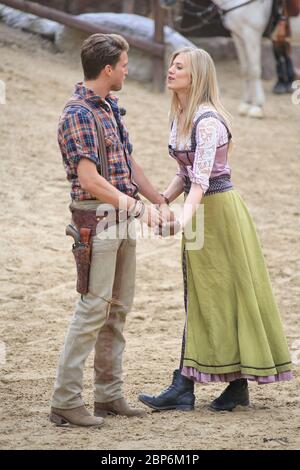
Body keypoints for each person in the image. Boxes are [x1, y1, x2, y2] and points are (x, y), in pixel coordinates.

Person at [139, 47, 293, 412]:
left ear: (197, 77)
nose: (171, 70)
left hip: (219, 211)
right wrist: (162, 199)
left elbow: (202, 181)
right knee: (202, 294)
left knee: (223, 292)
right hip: (202, 209)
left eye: (180, 67)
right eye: (172, 65)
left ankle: (193, 387)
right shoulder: (180, 116)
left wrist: (183, 219)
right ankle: (196, 386)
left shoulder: (207, 121)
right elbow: (185, 172)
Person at [50, 33, 172, 427]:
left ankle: (108, 396)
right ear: (107, 69)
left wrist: (157, 201)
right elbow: (90, 180)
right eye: (122, 64)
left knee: (115, 310)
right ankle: (66, 400)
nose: (126, 70)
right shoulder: (78, 114)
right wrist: (139, 207)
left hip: (117, 216)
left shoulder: (107, 108)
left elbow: (127, 164)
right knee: (92, 310)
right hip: (97, 217)